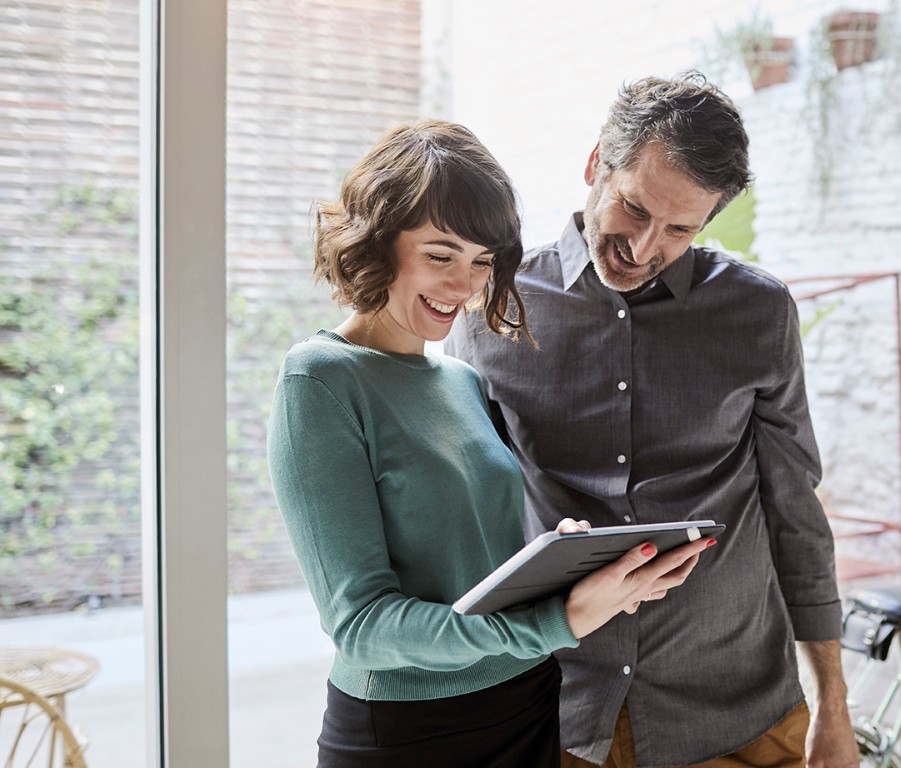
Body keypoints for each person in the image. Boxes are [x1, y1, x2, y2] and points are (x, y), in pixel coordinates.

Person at [267, 119, 714, 768]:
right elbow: (361, 627)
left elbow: (474, 569)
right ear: (378, 242)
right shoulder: (321, 378)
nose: (464, 285)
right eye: (440, 254)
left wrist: (564, 568)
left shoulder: (461, 379)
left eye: (482, 261)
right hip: (411, 732)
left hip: (526, 699)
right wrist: (555, 623)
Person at [445, 73, 860, 767]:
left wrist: (834, 708)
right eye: (633, 208)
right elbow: (461, 516)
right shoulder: (493, 308)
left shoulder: (758, 313)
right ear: (595, 164)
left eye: (680, 229)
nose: (642, 246)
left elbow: (795, 512)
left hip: (740, 720)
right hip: (558, 713)